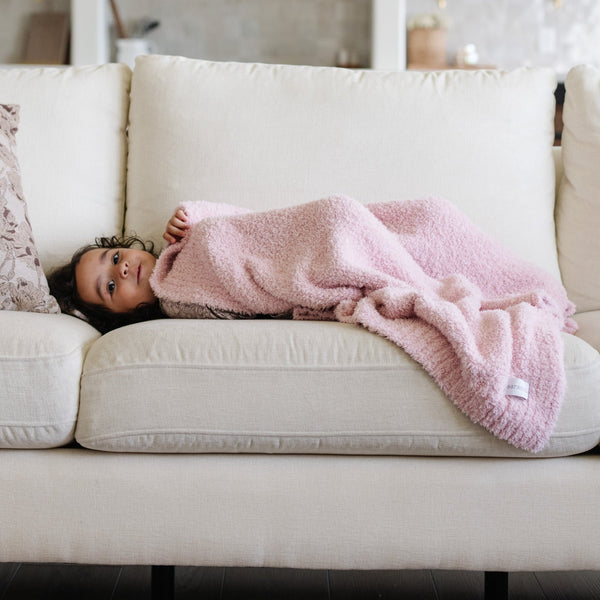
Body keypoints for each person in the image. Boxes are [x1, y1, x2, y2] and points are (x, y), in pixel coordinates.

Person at [48, 209, 189, 333]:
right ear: (118, 319)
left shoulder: (178, 244)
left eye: (115, 258)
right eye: (111, 286)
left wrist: (185, 222)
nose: (122, 268)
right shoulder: (175, 318)